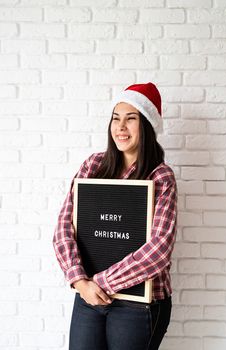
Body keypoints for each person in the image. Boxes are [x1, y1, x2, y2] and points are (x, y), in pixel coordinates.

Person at [53, 82, 177, 350]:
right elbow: (64, 228)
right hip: (88, 297)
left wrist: (99, 282)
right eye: (115, 118)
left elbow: (159, 250)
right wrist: (79, 280)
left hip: (138, 304)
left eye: (131, 119)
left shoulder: (160, 176)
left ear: (146, 125)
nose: (121, 127)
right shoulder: (93, 165)